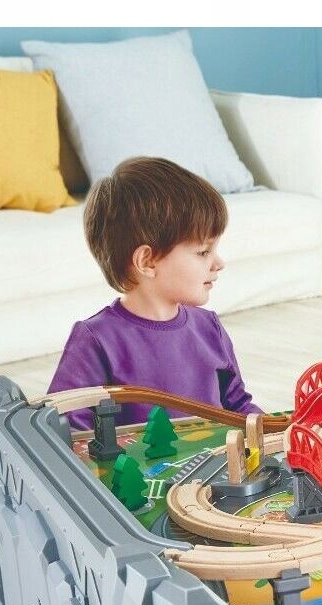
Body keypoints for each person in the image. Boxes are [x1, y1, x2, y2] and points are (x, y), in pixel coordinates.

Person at [47, 157, 261, 428]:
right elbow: (65, 429)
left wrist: (279, 431)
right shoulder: (96, 340)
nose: (219, 263)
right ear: (147, 262)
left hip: (217, 456)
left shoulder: (209, 328)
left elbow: (238, 406)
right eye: (203, 252)